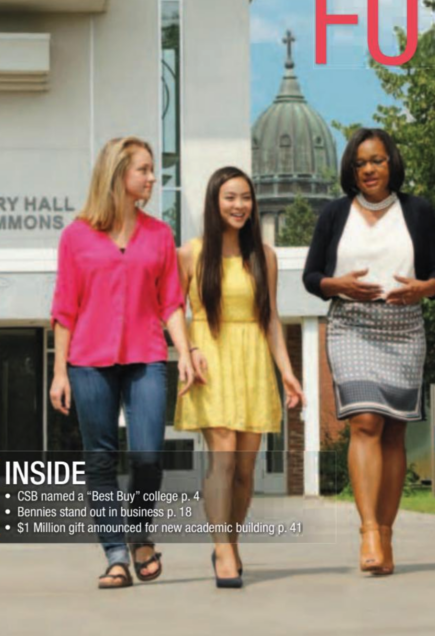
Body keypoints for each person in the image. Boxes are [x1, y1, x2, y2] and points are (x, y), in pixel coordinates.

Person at [49, 136, 200, 590]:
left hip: (147, 357)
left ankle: (138, 535)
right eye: (145, 170)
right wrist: (59, 373)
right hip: (88, 362)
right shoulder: (76, 236)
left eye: (153, 171)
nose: (153, 178)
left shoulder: (159, 234)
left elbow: (171, 302)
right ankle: (116, 554)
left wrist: (186, 352)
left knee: (149, 457)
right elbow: (64, 308)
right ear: (118, 174)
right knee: (99, 460)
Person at [303, 128, 435, 575]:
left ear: (392, 164)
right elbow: (311, 277)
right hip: (352, 325)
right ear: (351, 169)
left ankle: (386, 534)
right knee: (366, 421)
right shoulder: (334, 214)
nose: (369, 169)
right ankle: (367, 529)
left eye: (378, 161)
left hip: (404, 327)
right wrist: (337, 285)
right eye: (361, 163)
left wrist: (425, 288)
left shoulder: (417, 211)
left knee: (393, 433)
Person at [174, 166, 305, 588]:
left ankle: (229, 539)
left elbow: (270, 319)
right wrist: (187, 351)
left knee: (246, 471)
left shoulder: (264, 256)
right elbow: (173, 310)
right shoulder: (190, 253)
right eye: (230, 197)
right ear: (215, 202)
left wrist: (287, 373)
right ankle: (223, 550)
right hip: (209, 358)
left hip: (252, 363)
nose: (239, 205)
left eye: (246, 197)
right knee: (224, 458)